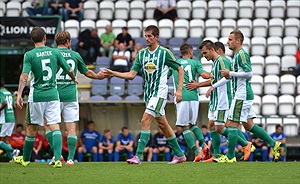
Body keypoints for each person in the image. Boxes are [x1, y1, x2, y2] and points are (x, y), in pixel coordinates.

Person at [104, 25, 186, 164]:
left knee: (144, 121)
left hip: (159, 94)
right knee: (164, 125)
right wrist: (113, 73)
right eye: (146, 36)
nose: (147, 39)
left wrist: (179, 90)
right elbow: (131, 75)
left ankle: (138, 156)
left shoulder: (164, 53)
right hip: (148, 95)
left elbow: (180, 69)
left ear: (156, 37)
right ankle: (179, 155)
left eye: (150, 36)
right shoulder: (141, 54)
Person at [13, 27, 77, 168]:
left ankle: (25, 159)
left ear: (32, 40)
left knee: (31, 129)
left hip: (36, 97)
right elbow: (70, 70)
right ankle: (58, 160)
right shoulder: (55, 52)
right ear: (45, 38)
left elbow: (24, 77)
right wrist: (74, 79)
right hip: (53, 96)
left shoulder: (29, 55)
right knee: (55, 127)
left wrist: (19, 94)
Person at [219, 30, 282, 162]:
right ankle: (274, 144)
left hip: (242, 94)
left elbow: (249, 73)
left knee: (231, 124)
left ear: (238, 41)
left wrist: (230, 73)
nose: (227, 42)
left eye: (230, 39)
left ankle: (230, 157)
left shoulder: (242, 54)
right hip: (243, 94)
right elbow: (235, 76)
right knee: (248, 125)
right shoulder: (237, 56)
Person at [186, 40, 252, 163]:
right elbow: (215, 80)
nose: (204, 56)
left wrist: (203, 85)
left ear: (212, 50)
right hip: (216, 98)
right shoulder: (215, 63)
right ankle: (216, 155)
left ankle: (244, 144)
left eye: (205, 53)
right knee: (212, 125)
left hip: (224, 98)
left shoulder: (223, 61)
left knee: (221, 127)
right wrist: (200, 84)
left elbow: (227, 78)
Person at [45, 31, 105, 166]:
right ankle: (71, 159)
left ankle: (57, 156)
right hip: (71, 96)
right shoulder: (75, 55)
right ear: (68, 42)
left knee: (51, 127)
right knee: (71, 128)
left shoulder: (51, 54)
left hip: (55, 96)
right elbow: (87, 72)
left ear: (56, 42)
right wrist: (98, 76)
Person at [168, 43, 211, 162]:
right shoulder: (195, 62)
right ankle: (204, 145)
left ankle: (197, 152)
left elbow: (165, 77)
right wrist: (212, 75)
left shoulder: (174, 64)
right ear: (191, 52)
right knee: (193, 124)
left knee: (184, 126)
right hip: (194, 96)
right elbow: (204, 75)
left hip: (181, 97)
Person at [0, 77, 16, 144]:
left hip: (4, 119)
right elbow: (14, 106)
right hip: (12, 118)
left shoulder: (0, 92)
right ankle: (12, 153)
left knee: (1, 140)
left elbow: (5, 103)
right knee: (6, 141)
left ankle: (13, 151)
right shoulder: (8, 92)